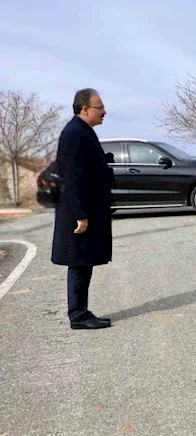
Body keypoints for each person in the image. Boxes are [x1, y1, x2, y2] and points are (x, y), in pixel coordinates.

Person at [51, 88, 114, 330]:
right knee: (79, 262)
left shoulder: (82, 131)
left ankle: (82, 311)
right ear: (84, 109)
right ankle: (78, 315)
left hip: (86, 208)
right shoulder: (74, 133)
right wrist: (80, 214)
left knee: (84, 262)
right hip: (78, 211)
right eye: (100, 107)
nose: (104, 111)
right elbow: (71, 177)